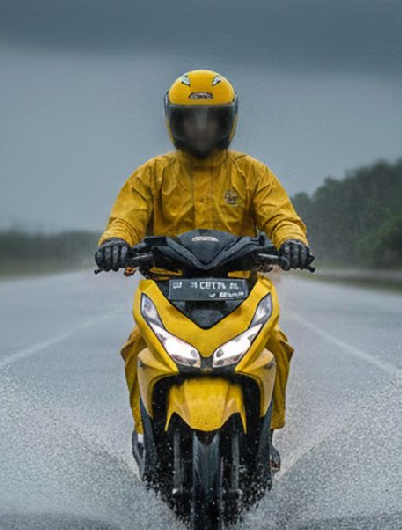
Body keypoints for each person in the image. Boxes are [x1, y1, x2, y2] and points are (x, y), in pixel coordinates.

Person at [96, 69, 313, 448]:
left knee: (275, 344)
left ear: (227, 122)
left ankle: (268, 436)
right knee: (136, 347)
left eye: (210, 119)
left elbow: (280, 215)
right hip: (167, 289)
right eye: (190, 119)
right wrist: (115, 242)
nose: (200, 128)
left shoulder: (251, 173)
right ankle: (147, 433)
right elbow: (125, 217)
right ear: (174, 122)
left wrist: (292, 241)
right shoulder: (152, 175)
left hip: (241, 288)